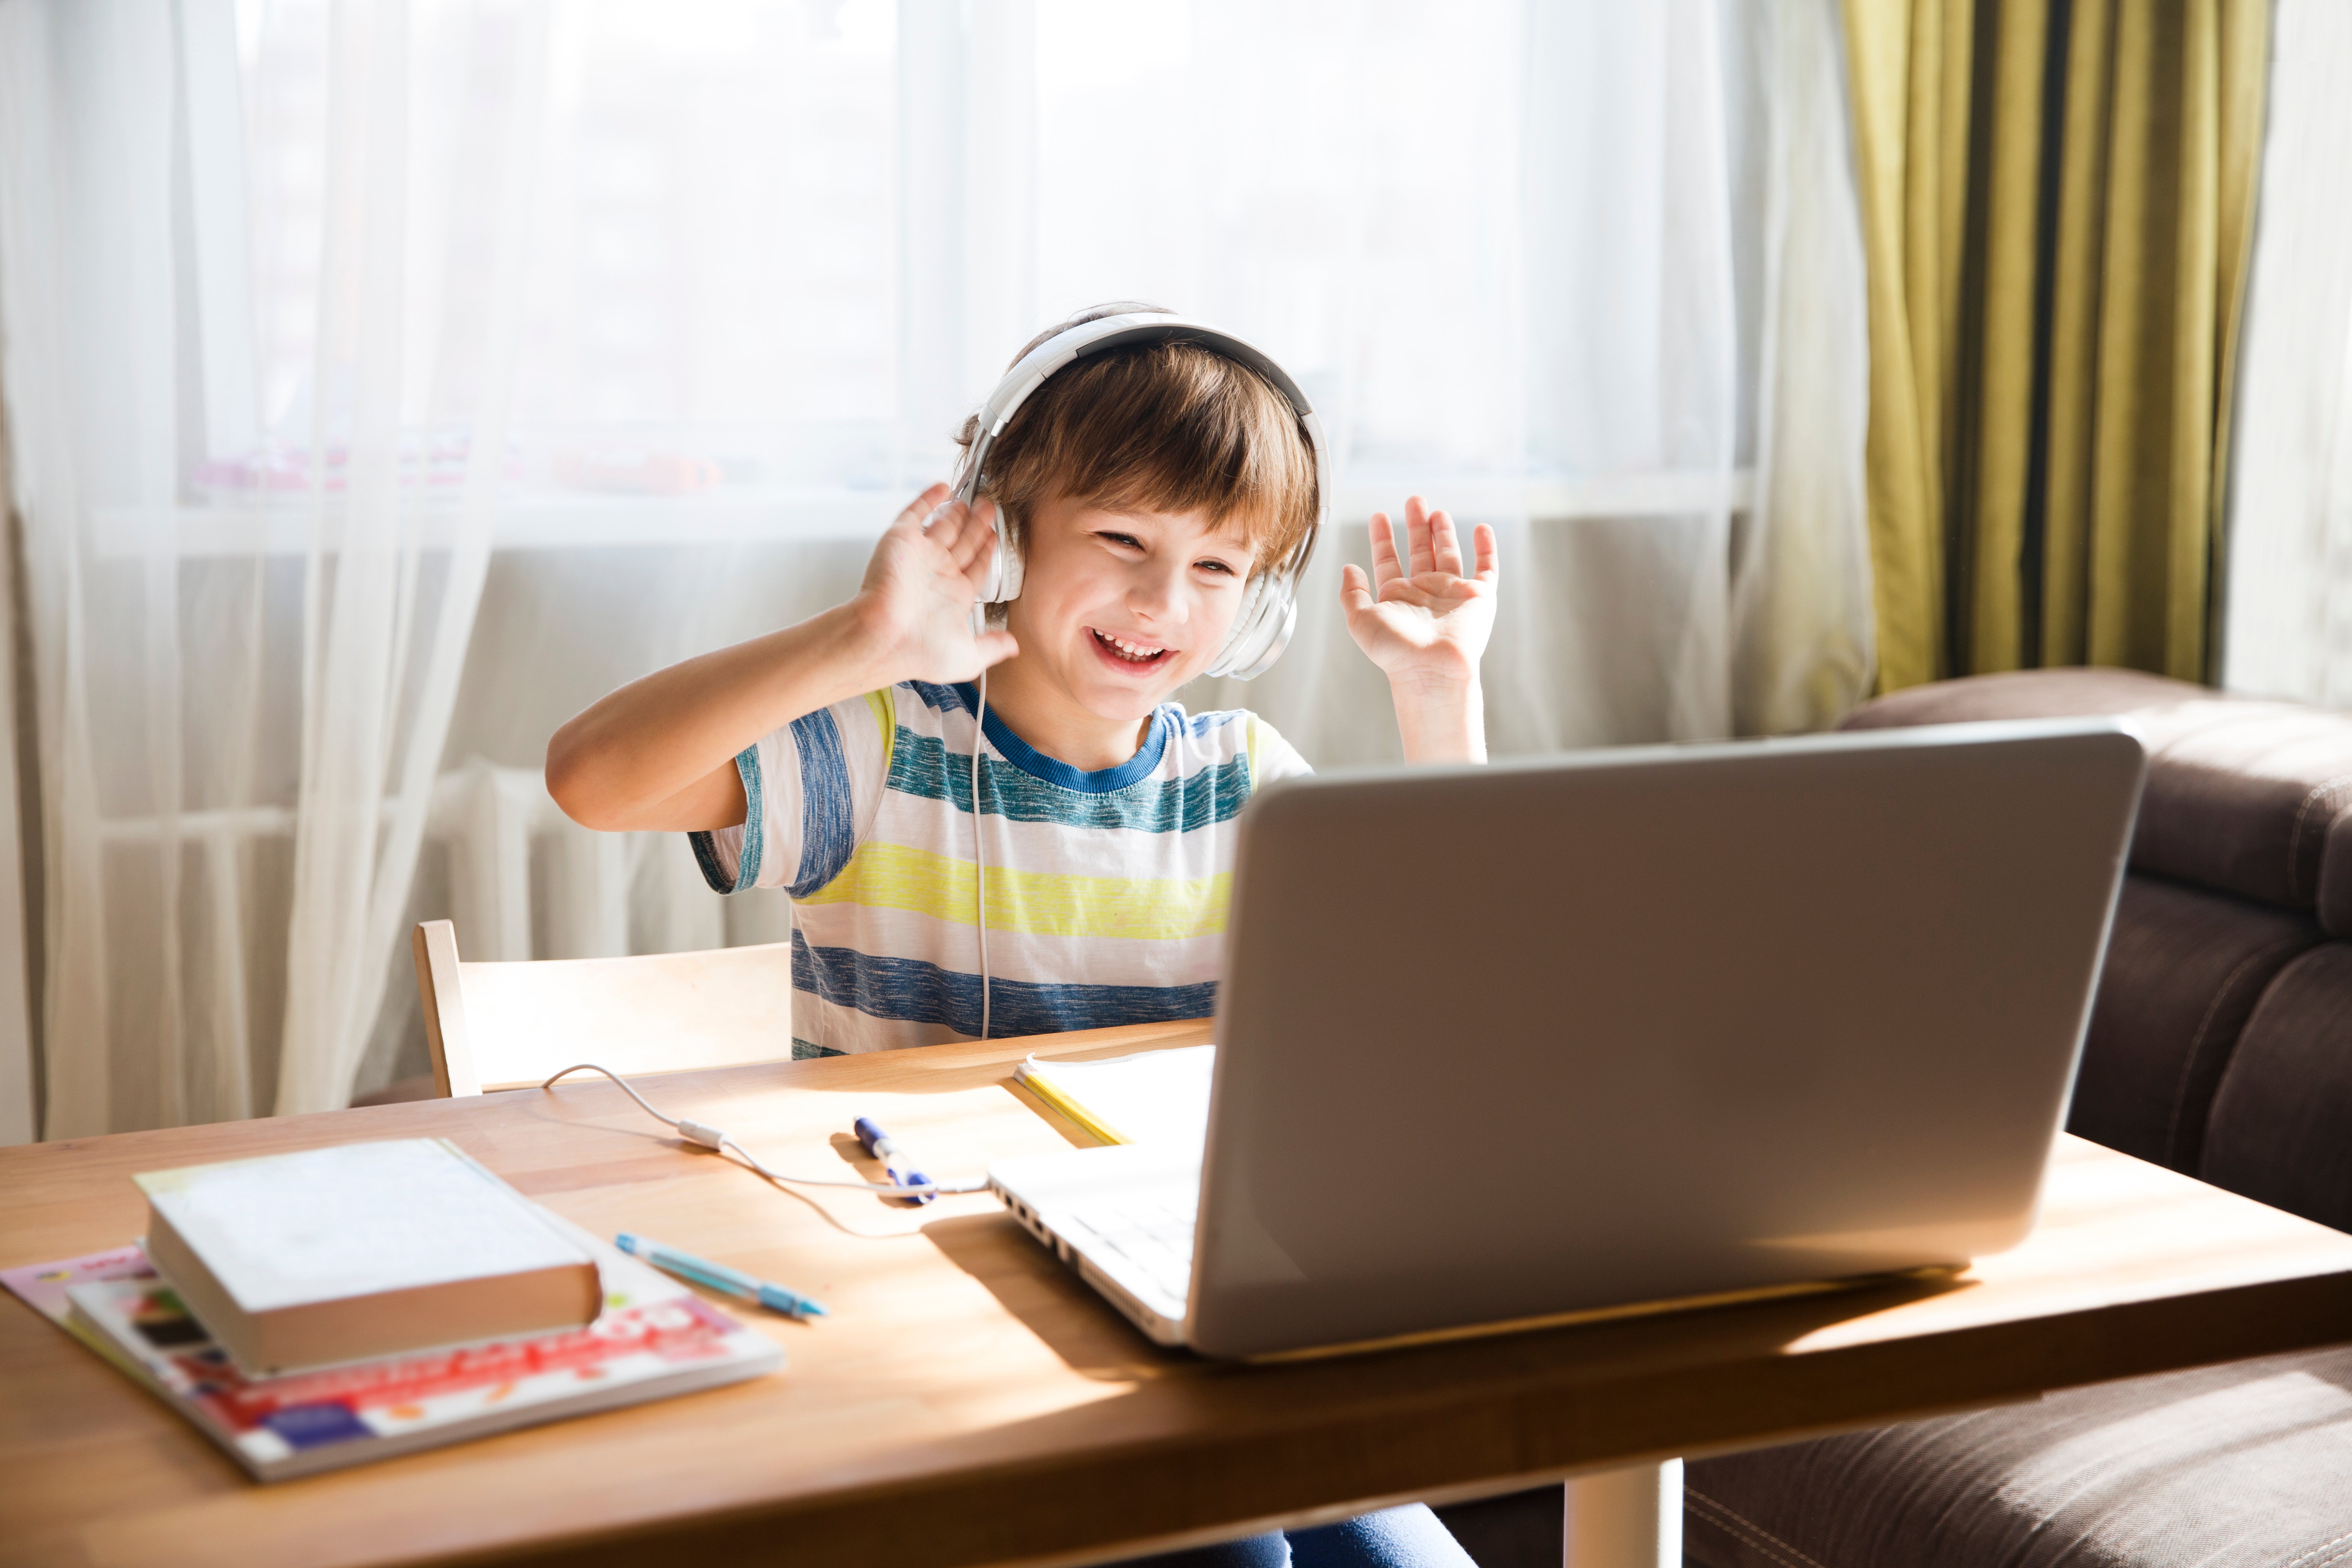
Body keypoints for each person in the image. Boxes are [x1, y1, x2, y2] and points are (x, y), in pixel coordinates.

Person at [545, 305, 1498, 1566]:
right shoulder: (885, 752)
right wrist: (862, 642)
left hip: (1180, 1297)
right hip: (941, 1317)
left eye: (1219, 568)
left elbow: (1462, 977)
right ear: (1005, 533)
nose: (1165, 600)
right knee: (1233, 1552)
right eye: (1123, 540)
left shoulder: (1246, 779)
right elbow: (592, 777)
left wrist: (1441, 698)